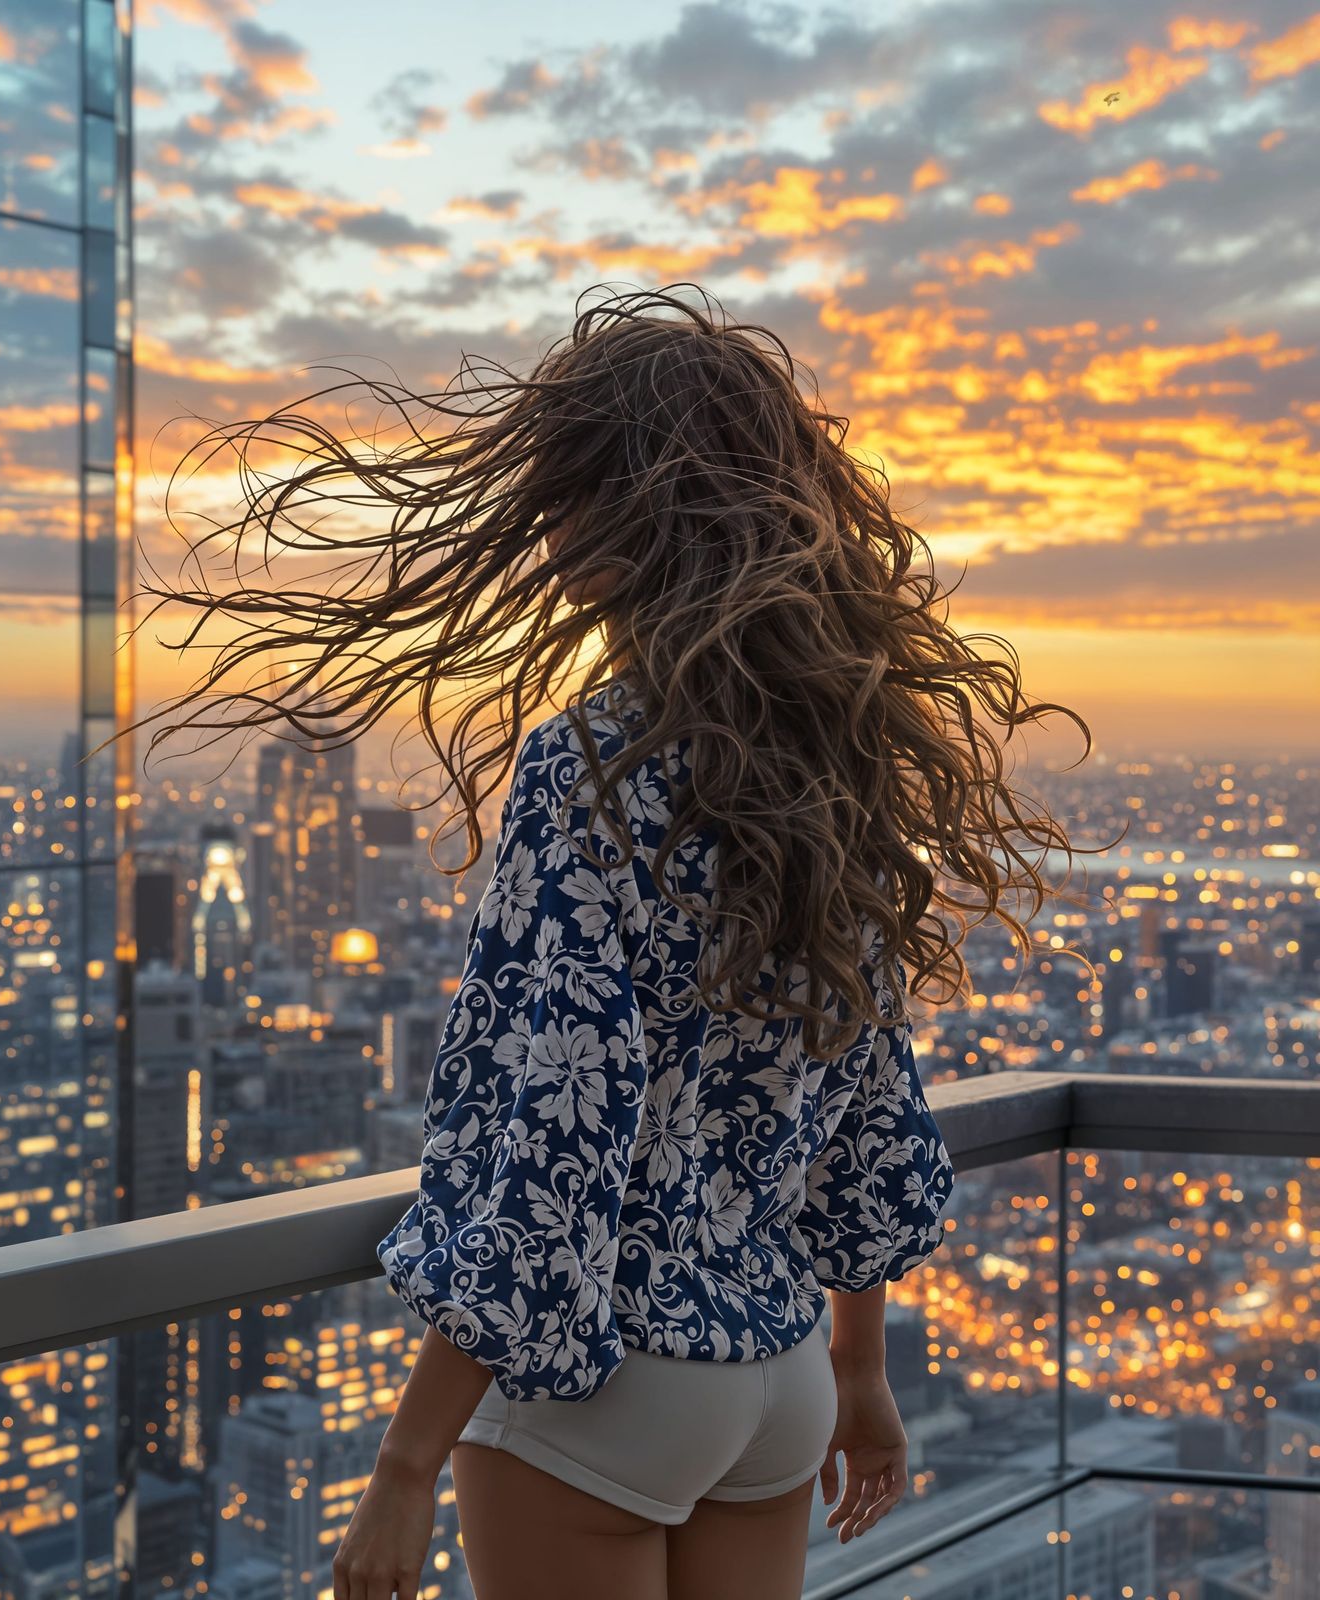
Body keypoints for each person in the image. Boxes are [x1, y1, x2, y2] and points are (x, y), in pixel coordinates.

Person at [130, 285, 1099, 1600]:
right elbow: (871, 1103)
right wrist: (862, 1378)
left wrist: (407, 1464)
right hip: (779, 1379)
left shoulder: (593, 764)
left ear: (638, 514)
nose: (557, 521)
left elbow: (556, 1132)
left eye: (576, 486)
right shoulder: (839, 766)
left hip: (607, 1384)